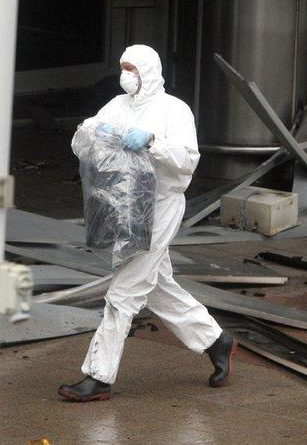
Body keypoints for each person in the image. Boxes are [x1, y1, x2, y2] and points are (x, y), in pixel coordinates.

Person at [59, 44, 236, 402]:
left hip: (160, 207)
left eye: (133, 70)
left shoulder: (174, 110)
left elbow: (187, 160)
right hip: (124, 205)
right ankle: (216, 340)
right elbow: (82, 145)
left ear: (149, 72)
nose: (127, 76)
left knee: (123, 293)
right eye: (123, 68)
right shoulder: (117, 105)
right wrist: (92, 132)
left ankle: (98, 376)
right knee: (156, 285)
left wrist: (151, 142)